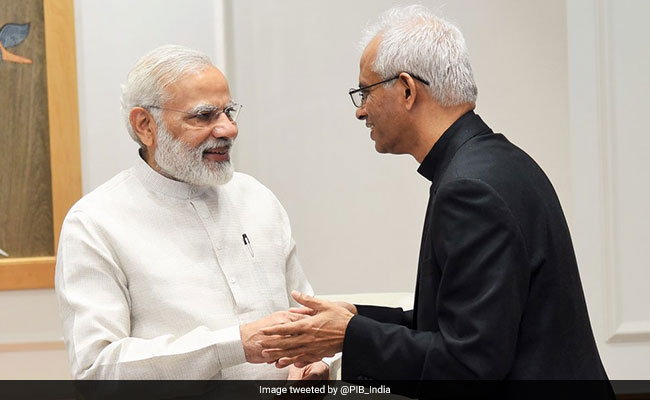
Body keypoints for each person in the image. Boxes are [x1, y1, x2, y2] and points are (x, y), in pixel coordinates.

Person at [258, 5, 610, 386]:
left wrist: (349, 334)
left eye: (365, 92)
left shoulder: (469, 189)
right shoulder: (496, 162)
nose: (360, 112)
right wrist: (354, 317)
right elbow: (454, 327)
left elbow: (468, 366)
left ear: (407, 90)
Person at [55, 45, 330, 380]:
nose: (228, 129)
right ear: (145, 125)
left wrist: (317, 361)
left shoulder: (256, 197)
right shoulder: (95, 223)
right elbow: (98, 371)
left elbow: (306, 316)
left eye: (229, 112)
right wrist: (235, 344)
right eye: (204, 116)